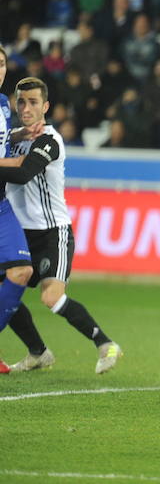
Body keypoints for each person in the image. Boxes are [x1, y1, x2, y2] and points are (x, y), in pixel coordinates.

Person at [0, 77, 124, 374]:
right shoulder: (12, 140)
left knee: (50, 297)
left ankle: (106, 344)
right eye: (21, 102)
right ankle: (38, 352)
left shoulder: (50, 140)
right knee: (8, 290)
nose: (26, 108)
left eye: (33, 102)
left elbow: (23, 174)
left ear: (46, 106)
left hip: (53, 232)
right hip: (20, 231)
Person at [0, 46, 37, 373]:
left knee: (21, 271)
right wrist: (20, 161)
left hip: (1, 203)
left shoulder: (2, 104)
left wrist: (20, 134)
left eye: (0, 64)